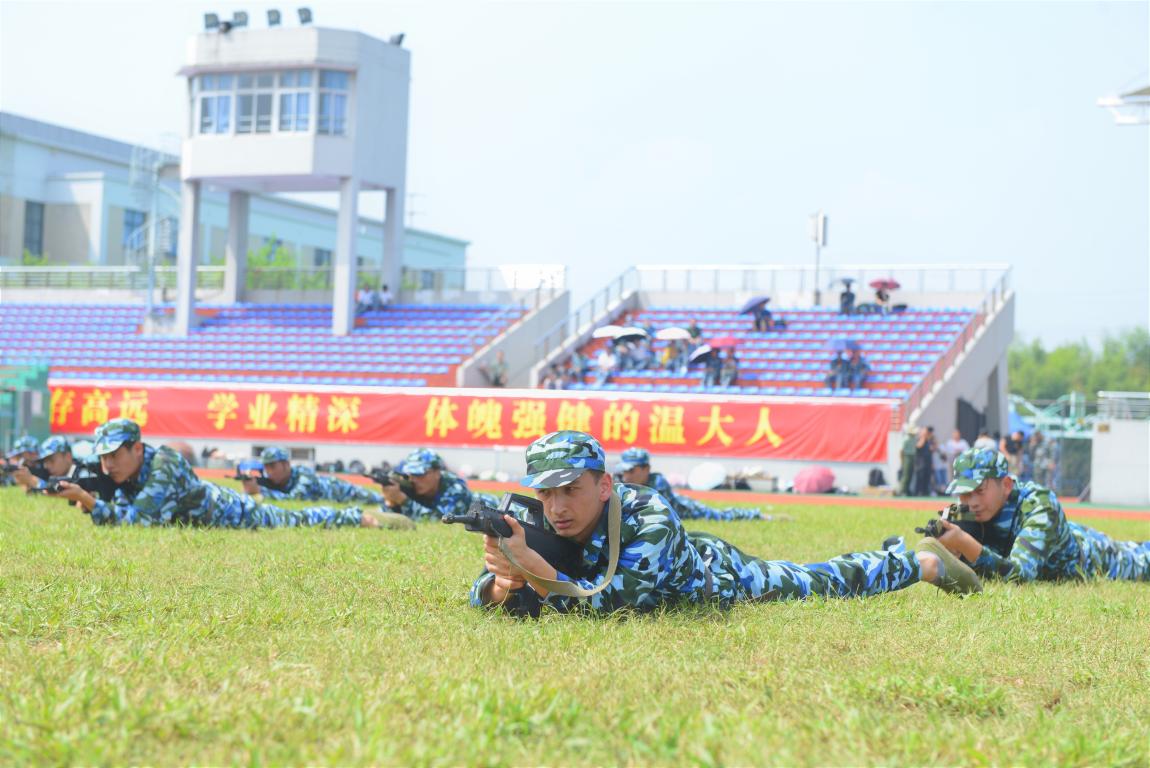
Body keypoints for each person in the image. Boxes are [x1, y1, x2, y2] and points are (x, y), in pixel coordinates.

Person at [470, 431, 980, 615]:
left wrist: (531, 568)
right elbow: (481, 595)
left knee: (821, 580)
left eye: (570, 490)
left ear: (604, 485)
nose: (556, 507)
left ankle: (918, 563)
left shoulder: (646, 511)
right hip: (688, 567)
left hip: (722, 578)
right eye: (547, 492)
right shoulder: (534, 520)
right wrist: (502, 582)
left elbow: (616, 604)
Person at [47, 419, 405, 529]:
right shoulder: (127, 472)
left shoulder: (163, 463)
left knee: (298, 519)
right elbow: (126, 506)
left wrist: (89, 501)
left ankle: (358, 518)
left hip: (234, 513)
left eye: (114, 456)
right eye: (103, 458)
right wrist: (94, 501)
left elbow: (141, 521)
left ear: (137, 448)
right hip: (210, 513)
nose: (107, 465)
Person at [911, 448, 1149, 583]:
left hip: (1095, 557)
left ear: (1006, 485)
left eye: (979, 491)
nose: (971, 502)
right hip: (1063, 537)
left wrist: (964, 542)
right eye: (964, 494)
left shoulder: (1039, 504)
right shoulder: (967, 510)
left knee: (1142, 560)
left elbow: (1020, 577)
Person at [614, 447, 766, 522]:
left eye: (631, 470)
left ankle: (754, 514)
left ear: (646, 469)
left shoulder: (658, 483)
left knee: (719, 515)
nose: (626, 475)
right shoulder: (623, 482)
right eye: (624, 470)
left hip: (688, 510)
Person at [242, 446, 385, 505]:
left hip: (344, 491)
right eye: (266, 467)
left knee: (380, 500)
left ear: (286, 464)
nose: (268, 471)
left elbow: (295, 499)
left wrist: (260, 491)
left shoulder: (304, 475)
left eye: (272, 466)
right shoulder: (275, 481)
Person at [380, 447, 491, 520]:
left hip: (488, 506)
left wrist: (403, 500)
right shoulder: (411, 485)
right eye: (411, 474)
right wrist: (391, 503)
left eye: (420, 474)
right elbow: (387, 517)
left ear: (437, 472)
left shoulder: (454, 487)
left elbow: (442, 519)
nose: (414, 479)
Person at [898, 426, 917, 497]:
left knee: (910, 474)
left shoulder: (914, 439)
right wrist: (902, 461)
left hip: (912, 456)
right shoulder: (906, 439)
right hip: (907, 457)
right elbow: (901, 451)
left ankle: (907, 490)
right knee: (905, 475)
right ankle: (901, 490)